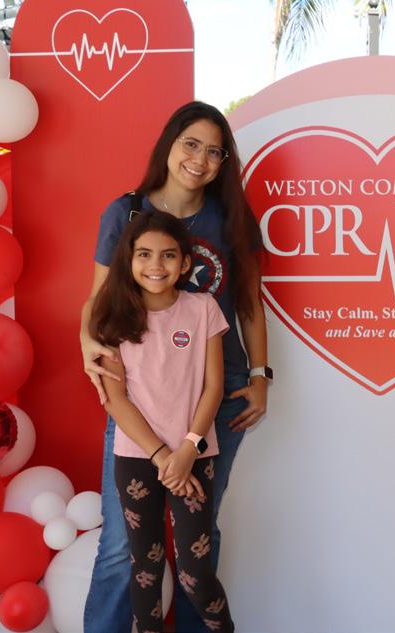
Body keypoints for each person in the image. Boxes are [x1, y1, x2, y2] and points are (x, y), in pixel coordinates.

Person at [80, 102, 269, 633]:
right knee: (122, 543)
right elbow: (97, 301)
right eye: (191, 144)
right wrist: (86, 344)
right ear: (169, 143)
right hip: (138, 394)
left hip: (217, 394)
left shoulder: (230, 219)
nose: (200, 159)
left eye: (214, 151)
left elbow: (250, 304)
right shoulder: (125, 213)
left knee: (198, 537)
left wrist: (261, 375)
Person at [90, 211, 234, 633]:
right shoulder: (112, 316)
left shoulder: (202, 309)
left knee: (195, 573)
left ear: (185, 263)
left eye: (168, 255)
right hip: (138, 458)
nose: (156, 265)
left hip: (195, 456)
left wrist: (187, 450)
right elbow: (116, 400)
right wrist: (162, 457)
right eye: (144, 254)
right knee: (145, 566)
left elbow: (213, 388)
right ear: (128, 259)